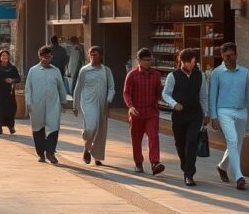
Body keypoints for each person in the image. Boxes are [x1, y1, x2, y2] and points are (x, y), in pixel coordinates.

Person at [209, 42, 249, 190]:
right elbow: (212, 96)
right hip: (224, 111)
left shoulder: (245, 72)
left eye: (231, 55)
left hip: (241, 111)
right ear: (221, 56)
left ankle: (222, 166)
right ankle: (239, 176)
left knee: (237, 144)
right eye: (225, 56)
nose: (228, 58)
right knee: (233, 140)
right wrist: (214, 116)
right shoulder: (216, 73)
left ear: (236, 55)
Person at [163, 47, 210, 186]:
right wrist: (174, 104)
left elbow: (204, 96)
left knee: (191, 142)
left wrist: (206, 113)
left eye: (193, 62)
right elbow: (165, 94)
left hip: (195, 114)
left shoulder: (200, 76)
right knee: (180, 143)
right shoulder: (173, 76)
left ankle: (189, 174)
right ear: (181, 61)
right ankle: (185, 166)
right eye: (189, 62)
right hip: (179, 115)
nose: (192, 64)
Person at [123, 48, 166, 176]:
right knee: (136, 139)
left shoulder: (156, 75)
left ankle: (155, 163)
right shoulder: (132, 74)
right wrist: (130, 106)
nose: (148, 63)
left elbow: (159, 92)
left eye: (150, 60)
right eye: (146, 60)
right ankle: (138, 162)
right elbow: (126, 93)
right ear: (139, 60)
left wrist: (164, 96)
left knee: (153, 136)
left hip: (151, 112)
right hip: (136, 113)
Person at [72, 46, 116, 166]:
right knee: (91, 127)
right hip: (88, 103)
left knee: (101, 130)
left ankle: (95, 155)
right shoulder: (84, 70)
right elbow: (78, 88)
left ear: (101, 56)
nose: (92, 57)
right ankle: (86, 143)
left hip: (102, 104)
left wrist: (108, 100)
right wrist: (75, 105)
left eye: (95, 55)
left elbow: (112, 88)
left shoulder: (106, 71)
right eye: (90, 55)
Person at [25, 45, 67, 164]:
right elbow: (28, 88)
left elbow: (61, 87)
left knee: (54, 128)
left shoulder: (56, 71)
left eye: (48, 57)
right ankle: (40, 153)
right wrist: (28, 102)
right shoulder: (33, 71)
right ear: (39, 56)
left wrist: (63, 101)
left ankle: (50, 152)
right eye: (43, 57)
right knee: (38, 129)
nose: (46, 59)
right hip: (36, 104)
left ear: (51, 57)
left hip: (53, 105)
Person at [0, 49, 21, 135]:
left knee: (11, 109)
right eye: (3, 55)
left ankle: (11, 126)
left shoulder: (13, 68)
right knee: (0, 110)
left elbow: (18, 79)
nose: (5, 57)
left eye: (6, 55)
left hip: (9, 91)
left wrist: (12, 80)